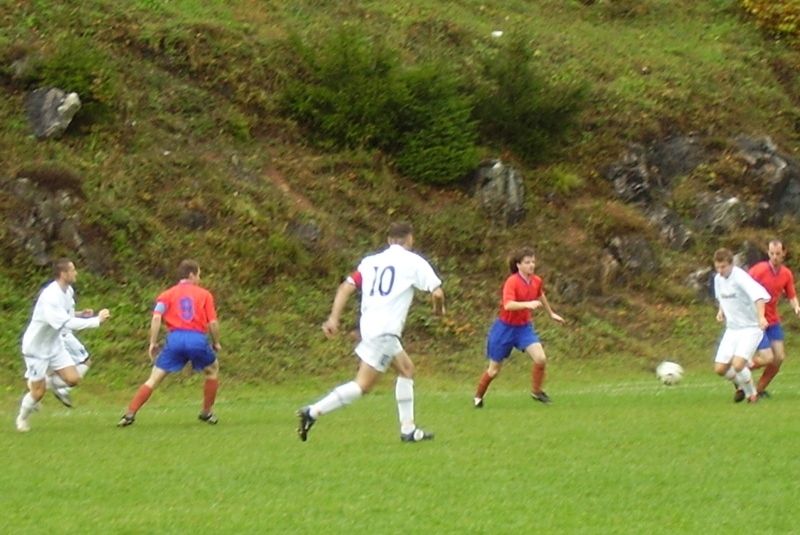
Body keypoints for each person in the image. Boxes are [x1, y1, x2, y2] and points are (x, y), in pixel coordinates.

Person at [296, 221, 445, 443]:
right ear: (410, 239)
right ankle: (313, 411)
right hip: (385, 332)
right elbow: (438, 294)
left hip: (370, 328)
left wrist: (333, 319)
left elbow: (346, 287)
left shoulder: (370, 262)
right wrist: (438, 311)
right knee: (362, 385)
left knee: (407, 370)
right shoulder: (414, 262)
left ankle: (408, 430)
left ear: (388, 240)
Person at [117, 259, 221, 427]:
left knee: (154, 378)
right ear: (192, 275)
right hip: (196, 338)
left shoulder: (166, 295)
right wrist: (216, 342)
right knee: (212, 369)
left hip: (175, 339)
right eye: (199, 275)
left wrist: (152, 342)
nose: (200, 279)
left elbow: (157, 316)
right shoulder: (205, 295)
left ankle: (129, 414)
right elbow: (213, 323)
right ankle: (207, 412)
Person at [15, 258, 111, 432]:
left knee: (73, 379)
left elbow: (66, 315)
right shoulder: (50, 296)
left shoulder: (68, 291)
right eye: (72, 270)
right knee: (38, 393)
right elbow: (65, 323)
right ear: (63, 274)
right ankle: (22, 418)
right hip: (36, 349)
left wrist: (81, 314)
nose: (76, 273)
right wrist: (96, 321)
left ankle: (44, 383)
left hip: (54, 345)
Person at [473, 247, 564, 408]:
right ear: (518, 265)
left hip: (523, 328)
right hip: (504, 329)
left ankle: (536, 392)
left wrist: (551, 313)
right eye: (527, 262)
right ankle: (478, 397)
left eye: (533, 262)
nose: (531, 265)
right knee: (493, 370)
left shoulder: (536, 280)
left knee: (541, 358)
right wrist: (527, 304)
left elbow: (540, 294)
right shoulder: (512, 282)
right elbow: (508, 305)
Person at [738, 239, 800, 400]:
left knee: (778, 358)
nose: (775, 257)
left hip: (773, 321)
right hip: (756, 320)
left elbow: (791, 294)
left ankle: (758, 389)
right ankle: (740, 370)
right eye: (772, 253)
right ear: (768, 253)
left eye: (778, 254)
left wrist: (796, 307)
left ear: (783, 253)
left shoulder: (786, 273)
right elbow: (743, 287)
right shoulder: (758, 270)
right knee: (768, 357)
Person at [712, 248, 770, 403]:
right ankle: (742, 385)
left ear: (731, 264)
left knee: (738, 365)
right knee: (720, 369)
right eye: (717, 267)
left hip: (750, 328)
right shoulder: (718, 279)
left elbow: (759, 297)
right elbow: (722, 297)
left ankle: (752, 395)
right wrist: (721, 311)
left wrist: (761, 318)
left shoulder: (740, 277)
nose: (720, 270)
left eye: (723, 267)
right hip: (732, 329)